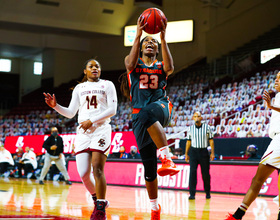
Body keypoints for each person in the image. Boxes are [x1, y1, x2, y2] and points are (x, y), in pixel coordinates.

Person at [121, 15, 180, 219]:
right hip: (140, 118)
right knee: (148, 168)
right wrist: (138, 35)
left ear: (156, 49)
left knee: (147, 112)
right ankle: (155, 208)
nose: (149, 44)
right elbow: (128, 62)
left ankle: (167, 157)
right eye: (147, 42)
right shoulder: (133, 65)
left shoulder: (160, 65)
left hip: (161, 107)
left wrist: (162, 38)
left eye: (152, 42)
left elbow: (170, 68)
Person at [43, 58, 117, 220]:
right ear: (85, 71)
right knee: (83, 173)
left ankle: (100, 209)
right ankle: (99, 200)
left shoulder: (107, 85)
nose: (95, 68)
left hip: (101, 129)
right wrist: (55, 106)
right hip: (83, 132)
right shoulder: (79, 88)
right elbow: (70, 112)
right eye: (91, 66)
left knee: (97, 168)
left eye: (97, 66)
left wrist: (93, 120)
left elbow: (112, 110)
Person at [225, 71, 280, 220]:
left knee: (258, 179)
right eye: (275, 78)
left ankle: (237, 215)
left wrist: (270, 106)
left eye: (279, 79)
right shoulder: (277, 96)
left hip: (279, 141)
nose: (276, 81)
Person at [185, 111, 215, 200]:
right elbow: (188, 142)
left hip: (203, 152)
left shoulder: (207, 128)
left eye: (198, 116)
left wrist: (212, 153)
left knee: (205, 173)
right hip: (193, 152)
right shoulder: (190, 129)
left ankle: (207, 192)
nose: (197, 118)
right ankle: (192, 194)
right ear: (193, 118)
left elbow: (211, 141)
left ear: (201, 118)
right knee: (192, 173)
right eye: (195, 116)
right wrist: (186, 153)